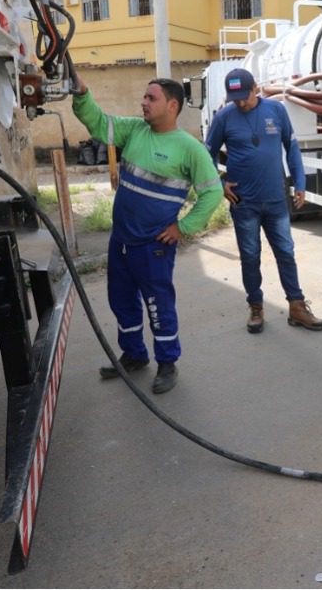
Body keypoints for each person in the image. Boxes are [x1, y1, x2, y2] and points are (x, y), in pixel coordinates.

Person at [71, 76, 224, 394]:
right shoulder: (134, 130)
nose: (143, 102)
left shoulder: (189, 149)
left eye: (150, 98)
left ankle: (167, 363)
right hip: (121, 241)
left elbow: (212, 193)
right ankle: (134, 355)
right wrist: (83, 94)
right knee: (121, 301)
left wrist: (183, 228)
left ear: (172, 105)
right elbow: (99, 123)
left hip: (152, 247)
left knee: (158, 305)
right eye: (144, 96)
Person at [204, 68, 322, 334]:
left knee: (285, 253)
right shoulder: (224, 117)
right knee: (250, 256)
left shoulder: (276, 110)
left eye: (243, 96)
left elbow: (291, 147)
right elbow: (206, 154)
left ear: (256, 89)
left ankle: (296, 306)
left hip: (275, 199)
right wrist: (220, 184)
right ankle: (256, 307)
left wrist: (299, 183)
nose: (239, 102)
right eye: (234, 97)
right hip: (243, 201)